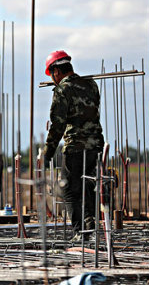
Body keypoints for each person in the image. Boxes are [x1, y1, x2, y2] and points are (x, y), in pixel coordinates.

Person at [43, 50, 104, 242]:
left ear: (56, 71)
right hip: (96, 145)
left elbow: (58, 125)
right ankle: (90, 226)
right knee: (89, 186)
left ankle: (80, 233)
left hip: (75, 147)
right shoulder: (91, 84)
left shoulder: (63, 90)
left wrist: (48, 153)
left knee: (69, 189)